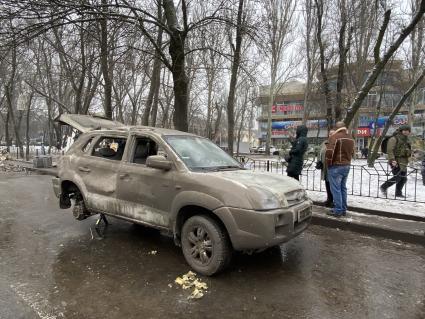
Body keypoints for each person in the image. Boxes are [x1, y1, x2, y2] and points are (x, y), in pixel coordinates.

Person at [325, 121, 355, 217]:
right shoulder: (351, 138)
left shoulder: (334, 137)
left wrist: (328, 164)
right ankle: (343, 209)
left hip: (336, 166)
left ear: (336, 128)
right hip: (347, 165)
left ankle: (338, 210)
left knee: (336, 189)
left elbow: (329, 152)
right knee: (343, 188)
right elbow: (353, 152)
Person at [380, 125, 412, 197]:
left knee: (403, 179)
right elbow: (390, 150)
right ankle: (384, 186)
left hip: (404, 161)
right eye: (405, 130)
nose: (406, 132)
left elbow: (408, 150)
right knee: (398, 177)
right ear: (401, 131)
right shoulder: (394, 138)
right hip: (396, 160)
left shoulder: (407, 140)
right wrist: (392, 160)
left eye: (408, 130)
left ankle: (398, 193)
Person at [319, 129, 335, 207]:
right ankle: (329, 199)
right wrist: (319, 161)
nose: (331, 135)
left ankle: (333, 200)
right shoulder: (324, 143)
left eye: (332, 134)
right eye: (330, 134)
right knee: (327, 183)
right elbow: (320, 153)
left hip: (332, 167)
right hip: (324, 167)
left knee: (332, 184)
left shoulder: (336, 143)